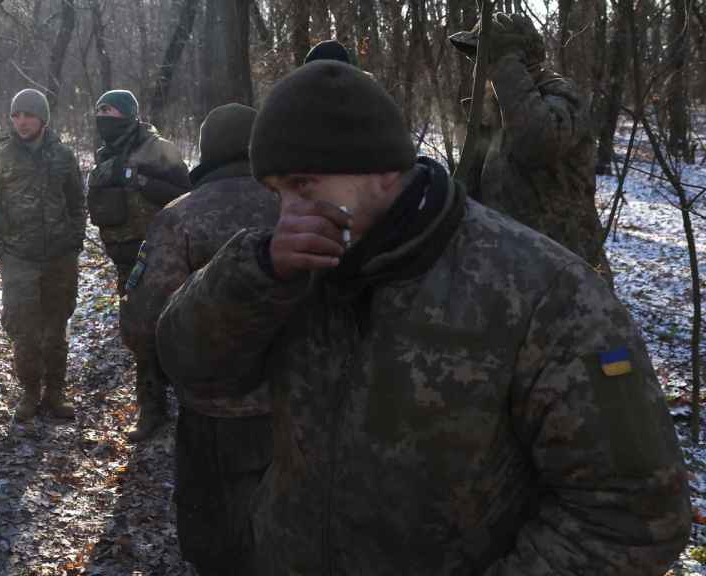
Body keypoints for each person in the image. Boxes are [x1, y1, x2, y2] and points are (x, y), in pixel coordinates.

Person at [156, 60, 691, 575]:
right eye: (276, 193)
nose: (287, 213)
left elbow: (632, 515)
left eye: (304, 185)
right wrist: (255, 275)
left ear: (384, 173)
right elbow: (188, 365)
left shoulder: (543, 294)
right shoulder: (292, 268)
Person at [122, 103, 277, 573]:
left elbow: (142, 320)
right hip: (298, 400)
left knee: (214, 529)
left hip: (212, 407)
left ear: (208, 150)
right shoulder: (298, 205)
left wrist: (161, 371)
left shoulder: (181, 217)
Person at [449, 13, 612, 280]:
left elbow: (537, 143)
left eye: (485, 57)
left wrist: (505, 65)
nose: (479, 67)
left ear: (513, 60)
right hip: (514, 270)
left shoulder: (559, 94)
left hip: (566, 271)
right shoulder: (498, 108)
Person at [0, 89, 85, 423]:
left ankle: (55, 393)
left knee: (56, 327)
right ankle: (30, 393)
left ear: (43, 119)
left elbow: (77, 202)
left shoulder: (63, 156)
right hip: (19, 259)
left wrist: (74, 239)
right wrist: (0, 250)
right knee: (25, 330)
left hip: (60, 258)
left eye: (29, 115)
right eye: (16, 115)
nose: (21, 122)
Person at [86, 89, 190, 440]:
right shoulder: (103, 155)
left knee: (174, 326)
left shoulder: (158, 148)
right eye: (100, 110)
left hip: (165, 254)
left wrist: (135, 178)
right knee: (138, 333)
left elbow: (186, 192)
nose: (104, 117)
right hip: (125, 258)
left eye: (111, 110)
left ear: (129, 114)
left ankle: (190, 401)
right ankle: (152, 407)